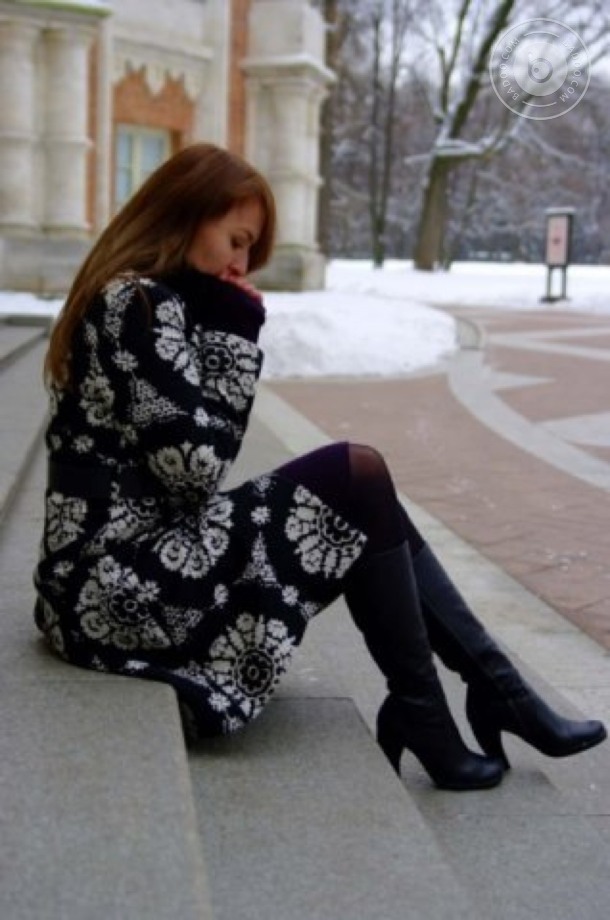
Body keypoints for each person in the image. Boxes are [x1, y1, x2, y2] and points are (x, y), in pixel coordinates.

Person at [33, 143, 606, 791]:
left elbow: (189, 468)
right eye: (236, 240)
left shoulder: (143, 300)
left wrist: (218, 330)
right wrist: (234, 332)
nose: (241, 263)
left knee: (363, 490)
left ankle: (478, 696)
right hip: (108, 590)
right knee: (353, 476)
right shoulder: (136, 305)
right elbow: (196, 474)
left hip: (110, 575)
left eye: (250, 249)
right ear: (186, 214)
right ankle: (462, 703)